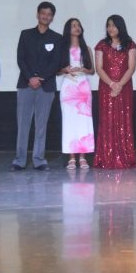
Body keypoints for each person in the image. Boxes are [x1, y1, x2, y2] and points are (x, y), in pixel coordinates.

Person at [12, 2, 62, 171]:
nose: (45, 16)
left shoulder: (57, 38)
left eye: (49, 14)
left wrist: (41, 79)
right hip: (25, 84)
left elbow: (55, 62)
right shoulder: (25, 34)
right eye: (43, 13)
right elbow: (20, 59)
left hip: (46, 86)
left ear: (52, 17)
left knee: (41, 125)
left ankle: (39, 160)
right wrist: (30, 78)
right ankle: (19, 160)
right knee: (23, 124)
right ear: (37, 14)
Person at [94, 15, 136, 169]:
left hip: (124, 88)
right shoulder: (101, 45)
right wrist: (112, 84)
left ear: (120, 26)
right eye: (108, 25)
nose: (110, 28)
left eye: (113, 25)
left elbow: (131, 68)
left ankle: (125, 156)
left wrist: (119, 85)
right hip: (106, 87)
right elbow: (99, 68)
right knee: (107, 120)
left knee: (124, 120)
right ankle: (106, 156)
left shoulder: (130, 45)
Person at [59, 18, 95, 170]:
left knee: (83, 121)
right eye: (73, 26)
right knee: (69, 121)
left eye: (78, 25)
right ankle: (71, 157)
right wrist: (65, 70)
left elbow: (92, 71)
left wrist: (83, 69)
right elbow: (57, 70)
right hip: (68, 87)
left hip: (83, 87)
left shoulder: (87, 49)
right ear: (68, 29)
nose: (76, 28)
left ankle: (83, 157)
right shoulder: (62, 49)